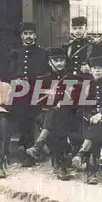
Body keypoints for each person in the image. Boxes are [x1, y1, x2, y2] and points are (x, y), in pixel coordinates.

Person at [25, 47, 83, 181]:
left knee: (56, 118)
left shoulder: (73, 79)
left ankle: (40, 147)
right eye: (55, 60)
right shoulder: (42, 79)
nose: (59, 63)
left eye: (62, 60)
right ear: (50, 62)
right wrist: (48, 95)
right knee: (53, 115)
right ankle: (59, 164)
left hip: (68, 116)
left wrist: (60, 102)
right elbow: (35, 102)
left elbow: (77, 100)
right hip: (45, 116)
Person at [8, 22, 50, 167]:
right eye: (25, 34)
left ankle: (33, 152)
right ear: (21, 36)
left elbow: (47, 75)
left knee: (33, 117)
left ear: (35, 36)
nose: (28, 37)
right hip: (20, 94)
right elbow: (10, 73)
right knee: (21, 116)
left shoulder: (43, 53)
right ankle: (26, 149)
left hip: (37, 93)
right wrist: (15, 79)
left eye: (31, 34)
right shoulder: (15, 54)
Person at [71, 54, 102, 185]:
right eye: (94, 68)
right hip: (89, 122)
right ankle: (92, 172)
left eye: (100, 68)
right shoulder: (86, 86)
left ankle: (81, 155)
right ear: (90, 70)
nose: (97, 71)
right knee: (94, 132)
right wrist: (90, 117)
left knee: (96, 129)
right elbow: (80, 108)